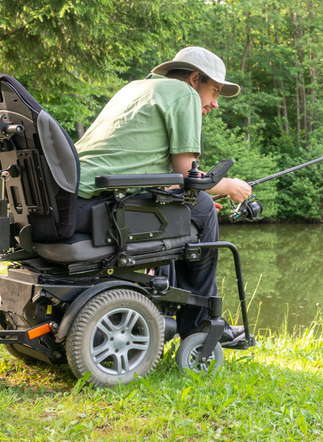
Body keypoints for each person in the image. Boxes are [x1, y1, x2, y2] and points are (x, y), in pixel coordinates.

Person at [74, 46, 252, 346]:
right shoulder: (183, 95)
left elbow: (137, 160)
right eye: (215, 91)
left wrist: (185, 195)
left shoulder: (137, 88)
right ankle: (202, 327)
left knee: (189, 205)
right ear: (194, 79)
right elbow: (187, 175)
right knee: (203, 206)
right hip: (98, 203)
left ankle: (174, 311)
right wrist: (231, 185)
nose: (216, 103)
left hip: (73, 195)